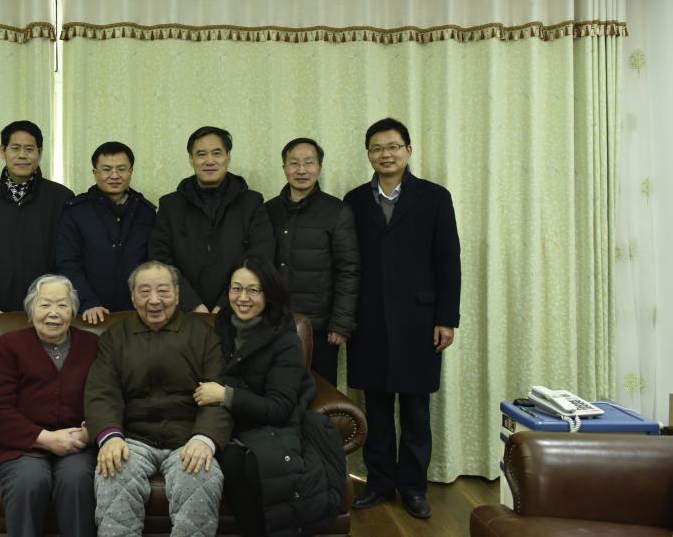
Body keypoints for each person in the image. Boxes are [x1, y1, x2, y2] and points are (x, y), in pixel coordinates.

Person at [343, 118, 461, 520]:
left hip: (419, 321)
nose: (386, 154)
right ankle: (378, 482)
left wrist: (446, 318)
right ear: (369, 155)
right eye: (377, 148)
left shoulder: (434, 197)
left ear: (408, 150)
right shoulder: (354, 200)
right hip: (369, 320)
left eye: (393, 146)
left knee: (415, 410)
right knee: (375, 408)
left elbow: (448, 261)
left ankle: (413, 487)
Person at [194, 256, 347, 537]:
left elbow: (279, 408)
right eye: (236, 288)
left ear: (269, 294)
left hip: (276, 422)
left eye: (253, 290)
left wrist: (226, 394)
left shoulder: (285, 339)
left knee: (256, 465)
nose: (243, 298)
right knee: (231, 460)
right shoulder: (222, 325)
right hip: (235, 423)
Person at [84, 261, 233, 537]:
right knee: (112, 471)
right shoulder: (115, 337)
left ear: (177, 294)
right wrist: (110, 437)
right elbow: (102, 392)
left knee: (202, 475)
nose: (154, 300)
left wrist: (204, 439)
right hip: (131, 439)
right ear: (132, 297)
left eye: (163, 291)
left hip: (187, 438)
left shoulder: (202, 334)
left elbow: (219, 392)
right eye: (144, 292)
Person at [0, 274, 99, 537]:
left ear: (73, 312)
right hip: (21, 447)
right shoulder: (10, 345)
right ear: (31, 309)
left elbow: (106, 396)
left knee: (77, 480)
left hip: (77, 443)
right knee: (29, 480)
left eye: (62, 305)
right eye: (45, 305)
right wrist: (45, 439)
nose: (53, 313)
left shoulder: (92, 345)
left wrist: (88, 432)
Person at [0, 120, 74, 372]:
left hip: (48, 313)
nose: (22, 155)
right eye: (15, 148)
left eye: (30, 149)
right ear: (3, 151)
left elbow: (68, 257)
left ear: (40, 153)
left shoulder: (61, 198)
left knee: (47, 383)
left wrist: (56, 304)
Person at [265, 137, 360, 386]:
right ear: (284, 168)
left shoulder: (337, 211)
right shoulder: (268, 210)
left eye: (309, 162)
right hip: (274, 324)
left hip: (320, 327)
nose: (301, 170)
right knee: (277, 392)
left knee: (320, 395)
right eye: (294, 163)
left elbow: (348, 270)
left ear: (319, 167)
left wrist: (341, 324)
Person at [150, 126, 275, 314]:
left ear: (228, 157)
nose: (209, 161)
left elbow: (260, 257)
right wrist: (191, 303)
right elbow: (160, 259)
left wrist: (226, 304)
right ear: (191, 159)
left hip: (239, 310)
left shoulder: (252, 203)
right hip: (183, 313)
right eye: (201, 154)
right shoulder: (170, 205)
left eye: (217, 153)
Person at [56, 141, 155, 325]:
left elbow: (153, 263)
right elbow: (68, 263)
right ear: (95, 173)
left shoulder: (146, 212)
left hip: (137, 312)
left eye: (121, 169)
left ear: (131, 171)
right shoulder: (76, 211)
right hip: (89, 313)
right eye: (107, 169)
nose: (114, 175)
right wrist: (88, 301)